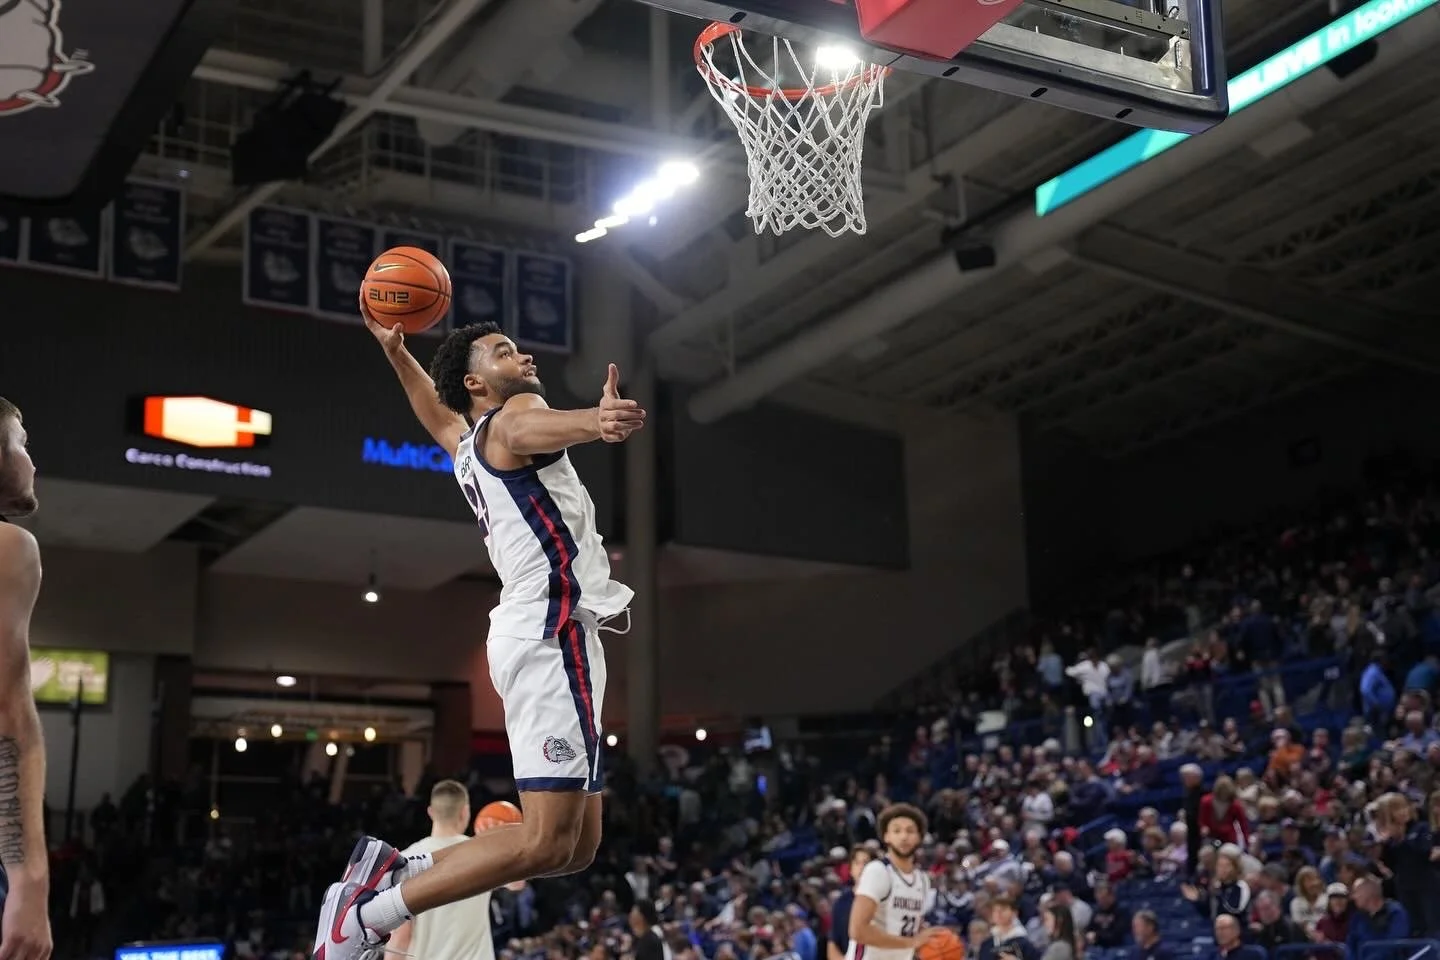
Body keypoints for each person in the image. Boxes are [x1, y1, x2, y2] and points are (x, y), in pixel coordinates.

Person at [314, 311, 645, 960]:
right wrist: (595, 423)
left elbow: (434, 415)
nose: (521, 356)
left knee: (575, 849)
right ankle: (367, 915)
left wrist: (395, 353)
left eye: (517, 348)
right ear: (476, 382)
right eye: (503, 351)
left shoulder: (469, 440)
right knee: (547, 844)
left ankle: (402, 875)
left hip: (547, 635)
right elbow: (534, 425)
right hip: (552, 635)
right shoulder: (512, 422)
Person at [0, 396, 50, 960]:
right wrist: (29, 881)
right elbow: (9, 715)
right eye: (22, 443)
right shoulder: (9, 546)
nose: (32, 462)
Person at [387, 781, 523, 960]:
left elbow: (400, 937)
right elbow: (517, 884)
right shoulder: (483, 852)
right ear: (465, 811)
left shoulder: (406, 861)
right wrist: (506, 838)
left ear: (431, 812)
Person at [847, 804, 941, 960]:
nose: (903, 836)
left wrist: (932, 940)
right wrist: (911, 942)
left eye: (910, 831)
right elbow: (858, 931)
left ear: (919, 837)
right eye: (897, 831)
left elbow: (908, 927)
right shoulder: (878, 871)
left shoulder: (923, 880)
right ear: (886, 836)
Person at [828, 847, 875, 960]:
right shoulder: (841, 903)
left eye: (866, 862)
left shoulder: (885, 899)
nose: (861, 867)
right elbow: (833, 945)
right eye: (857, 863)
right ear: (850, 870)